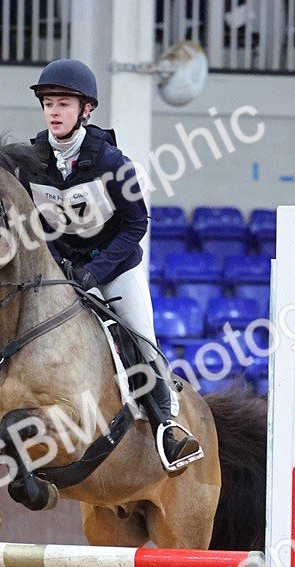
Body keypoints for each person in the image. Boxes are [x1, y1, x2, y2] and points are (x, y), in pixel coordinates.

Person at [26, 57, 202, 473]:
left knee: (140, 338)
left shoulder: (111, 162)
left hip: (116, 267)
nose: (54, 111)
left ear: (86, 110)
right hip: (63, 271)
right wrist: (58, 266)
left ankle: (168, 427)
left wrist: (97, 271)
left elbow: (136, 224)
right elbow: (30, 221)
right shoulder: (30, 161)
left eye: (64, 104)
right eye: (49, 103)